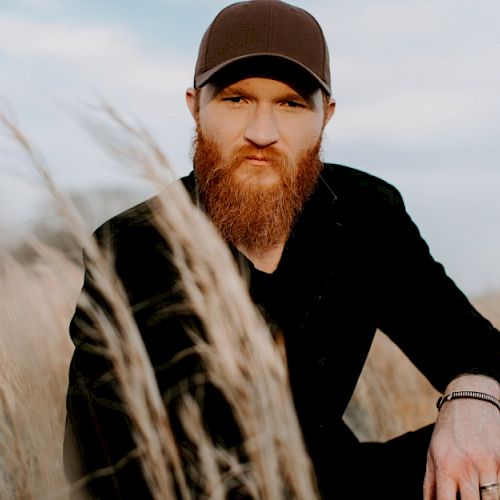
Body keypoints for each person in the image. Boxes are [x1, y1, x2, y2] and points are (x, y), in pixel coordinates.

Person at [64, 1, 500, 499]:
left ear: (325, 116)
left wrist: (474, 398)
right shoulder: (129, 248)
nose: (262, 133)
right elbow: (92, 475)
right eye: (236, 99)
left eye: (291, 103)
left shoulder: (364, 214)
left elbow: (473, 344)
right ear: (194, 106)